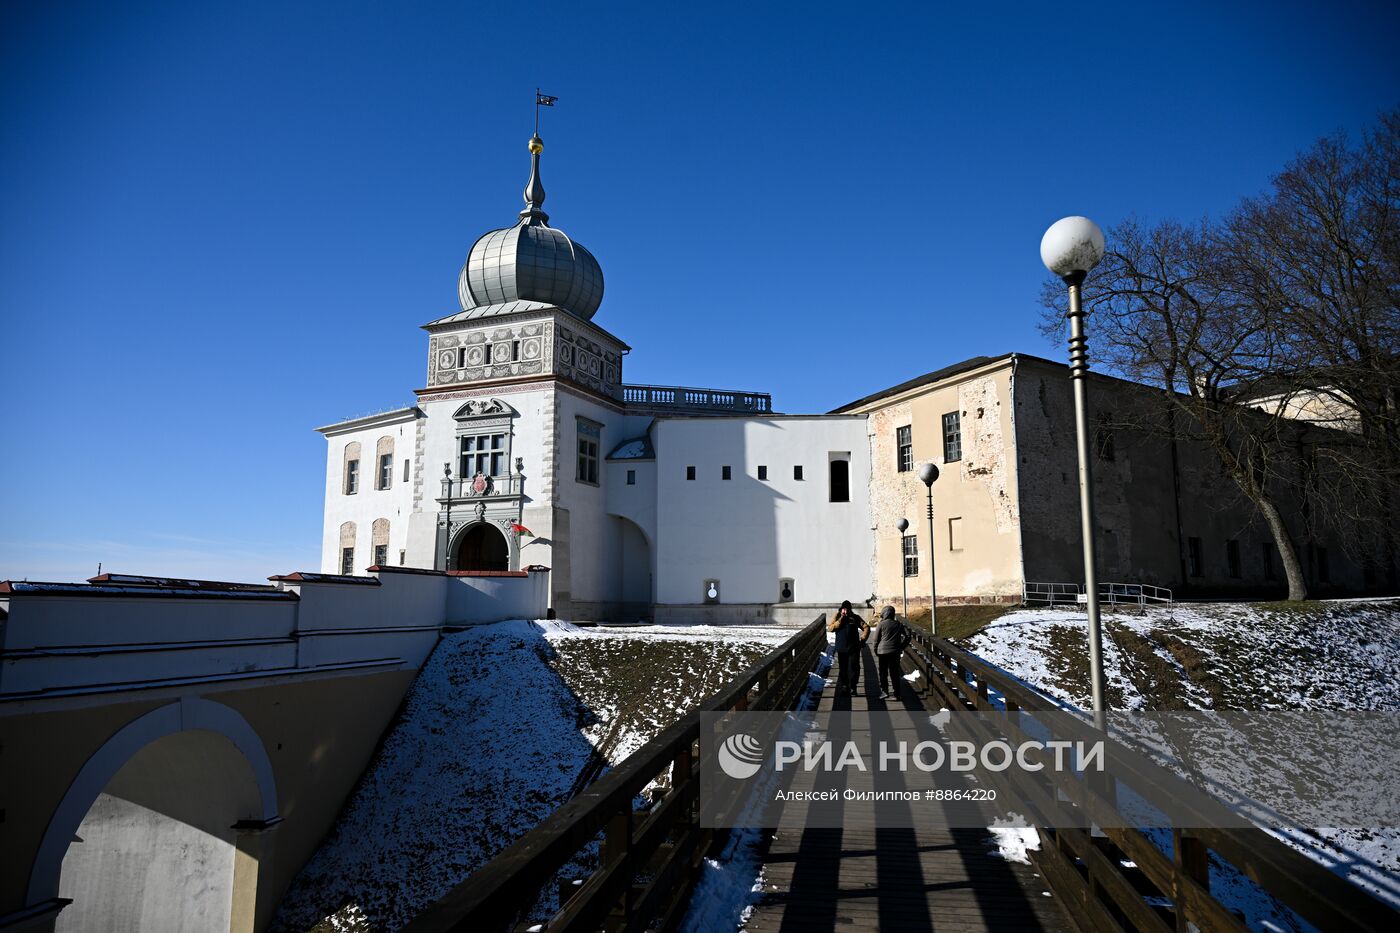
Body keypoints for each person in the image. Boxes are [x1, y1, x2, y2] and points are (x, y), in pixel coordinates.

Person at [826, 600, 865, 695]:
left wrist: (863, 639)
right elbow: (830, 628)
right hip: (842, 647)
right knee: (843, 667)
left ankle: (853, 686)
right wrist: (840, 620)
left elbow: (866, 627)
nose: (846, 611)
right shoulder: (838, 617)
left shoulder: (855, 618)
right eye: (844, 609)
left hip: (854, 647)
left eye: (847, 609)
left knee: (854, 667)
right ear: (841, 609)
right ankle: (844, 685)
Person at [871, 605, 907, 701]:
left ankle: (885, 692)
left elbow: (875, 640)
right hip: (895, 652)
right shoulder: (898, 624)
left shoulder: (881, 624)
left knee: (883, 673)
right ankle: (897, 693)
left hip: (882, 652)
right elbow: (908, 636)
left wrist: (875, 650)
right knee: (894, 673)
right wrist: (902, 647)